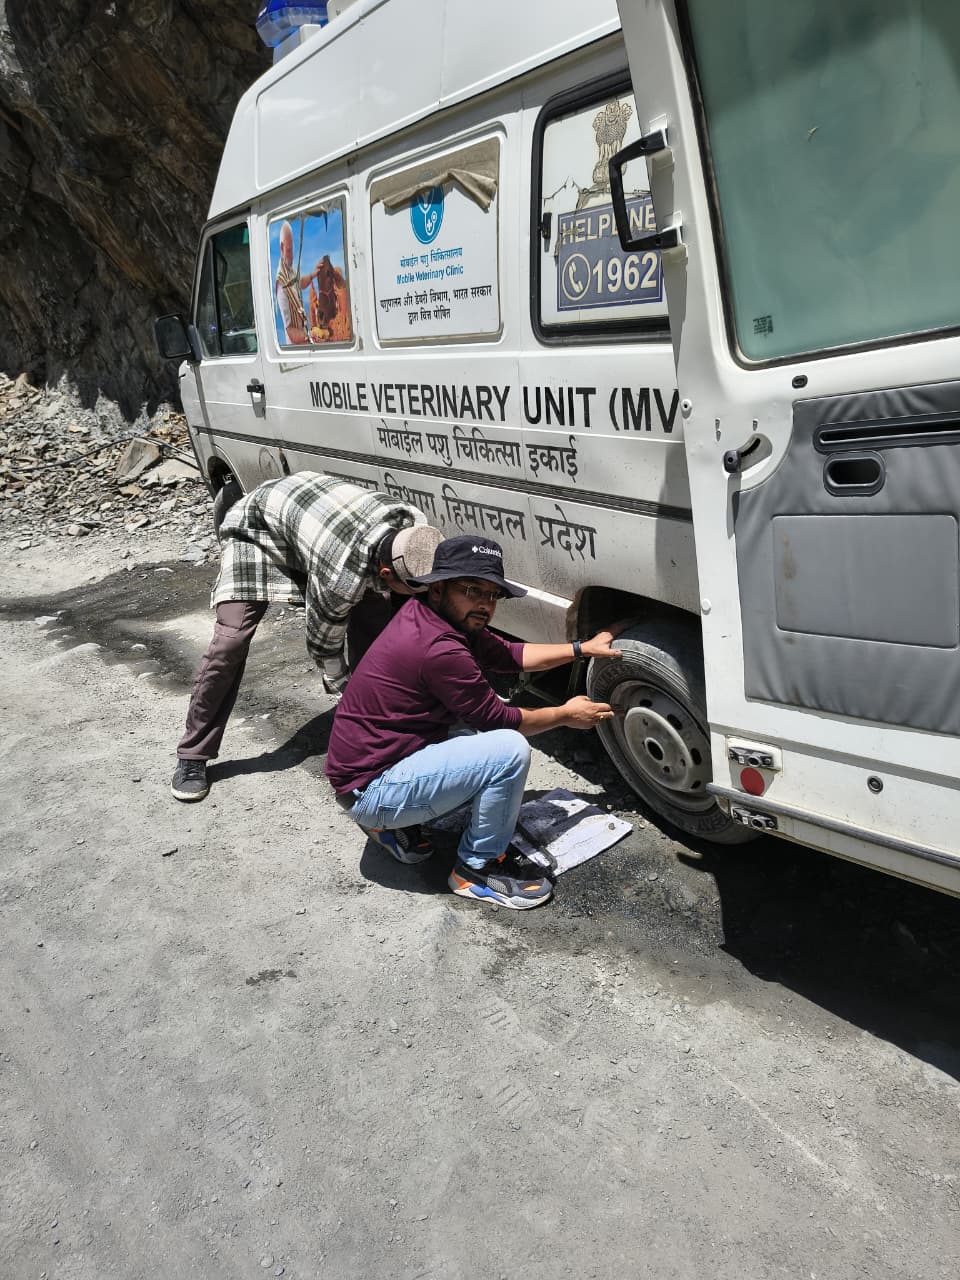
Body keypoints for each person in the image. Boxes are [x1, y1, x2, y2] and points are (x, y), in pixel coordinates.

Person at [324, 535, 622, 910]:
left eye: (493, 594)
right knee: (507, 751)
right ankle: (476, 869)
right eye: (472, 590)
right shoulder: (439, 648)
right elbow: (502, 721)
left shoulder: (431, 615)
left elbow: (509, 654)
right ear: (438, 588)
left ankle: (390, 822)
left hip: (367, 773)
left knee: (469, 733)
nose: (485, 603)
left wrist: (581, 649)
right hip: (371, 789)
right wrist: (566, 714)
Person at [172, 472, 443, 803]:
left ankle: (385, 724)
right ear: (386, 573)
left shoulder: (415, 530)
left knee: (376, 632)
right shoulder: (340, 578)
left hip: (315, 525)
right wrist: (347, 691)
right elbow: (324, 647)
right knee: (231, 640)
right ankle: (193, 753)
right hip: (256, 526)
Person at [275, 220, 323, 345]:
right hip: (297, 348)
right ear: (281, 247)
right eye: (289, 251)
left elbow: (299, 283)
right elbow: (290, 331)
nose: (292, 256)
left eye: (292, 251)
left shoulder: (289, 270)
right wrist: (309, 335)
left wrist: (313, 274)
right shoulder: (281, 284)